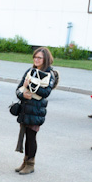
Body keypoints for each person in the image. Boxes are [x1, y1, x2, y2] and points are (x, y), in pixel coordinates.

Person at [14, 47, 58, 175]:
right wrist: (23, 95)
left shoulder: (50, 74)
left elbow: (46, 92)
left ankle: (30, 163)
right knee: (25, 135)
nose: (36, 60)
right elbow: (19, 88)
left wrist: (32, 87)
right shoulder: (30, 71)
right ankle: (25, 161)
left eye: (39, 58)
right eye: (35, 57)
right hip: (25, 108)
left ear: (46, 59)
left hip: (36, 110)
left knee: (31, 137)